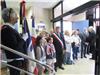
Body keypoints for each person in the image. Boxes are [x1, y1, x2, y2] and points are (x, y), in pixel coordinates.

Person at [1, 8, 26, 75]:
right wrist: (23, 39)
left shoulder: (10, 29)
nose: (17, 16)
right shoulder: (6, 30)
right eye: (15, 14)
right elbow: (14, 49)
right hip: (14, 61)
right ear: (10, 16)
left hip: (16, 60)